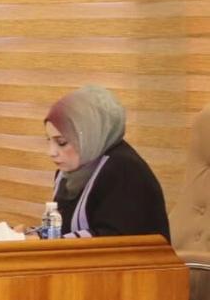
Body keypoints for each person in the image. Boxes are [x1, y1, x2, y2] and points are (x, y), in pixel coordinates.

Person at [44, 85, 168, 238]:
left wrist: (47, 242)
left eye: (62, 142)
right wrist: (32, 235)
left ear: (90, 135)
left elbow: (115, 239)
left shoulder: (124, 170)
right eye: (48, 140)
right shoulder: (69, 173)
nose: (51, 152)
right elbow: (63, 230)